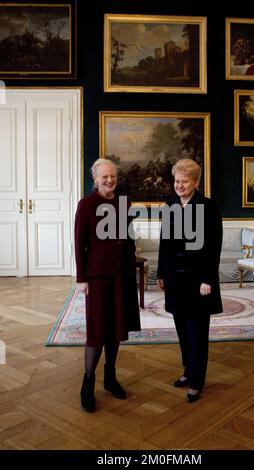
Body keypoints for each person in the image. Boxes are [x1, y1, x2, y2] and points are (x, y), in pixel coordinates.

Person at [75, 158, 140, 412]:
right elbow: (79, 245)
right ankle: (87, 383)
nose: (110, 180)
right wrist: (81, 278)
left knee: (116, 327)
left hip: (121, 275)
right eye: (105, 177)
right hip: (98, 277)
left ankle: (110, 378)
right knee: (97, 331)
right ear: (95, 179)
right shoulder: (86, 205)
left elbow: (129, 237)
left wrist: (132, 261)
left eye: (113, 176)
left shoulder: (124, 202)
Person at [157, 159, 223, 403]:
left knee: (197, 333)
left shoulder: (209, 208)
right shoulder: (170, 205)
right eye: (177, 181)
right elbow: (165, 242)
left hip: (198, 282)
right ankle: (187, 371)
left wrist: (208, 279)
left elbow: (213, 247)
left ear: (196, 182)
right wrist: (161, 273)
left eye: (185, 181)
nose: (180, 185)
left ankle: (197, 380)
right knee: (182, 331)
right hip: (175, 280)